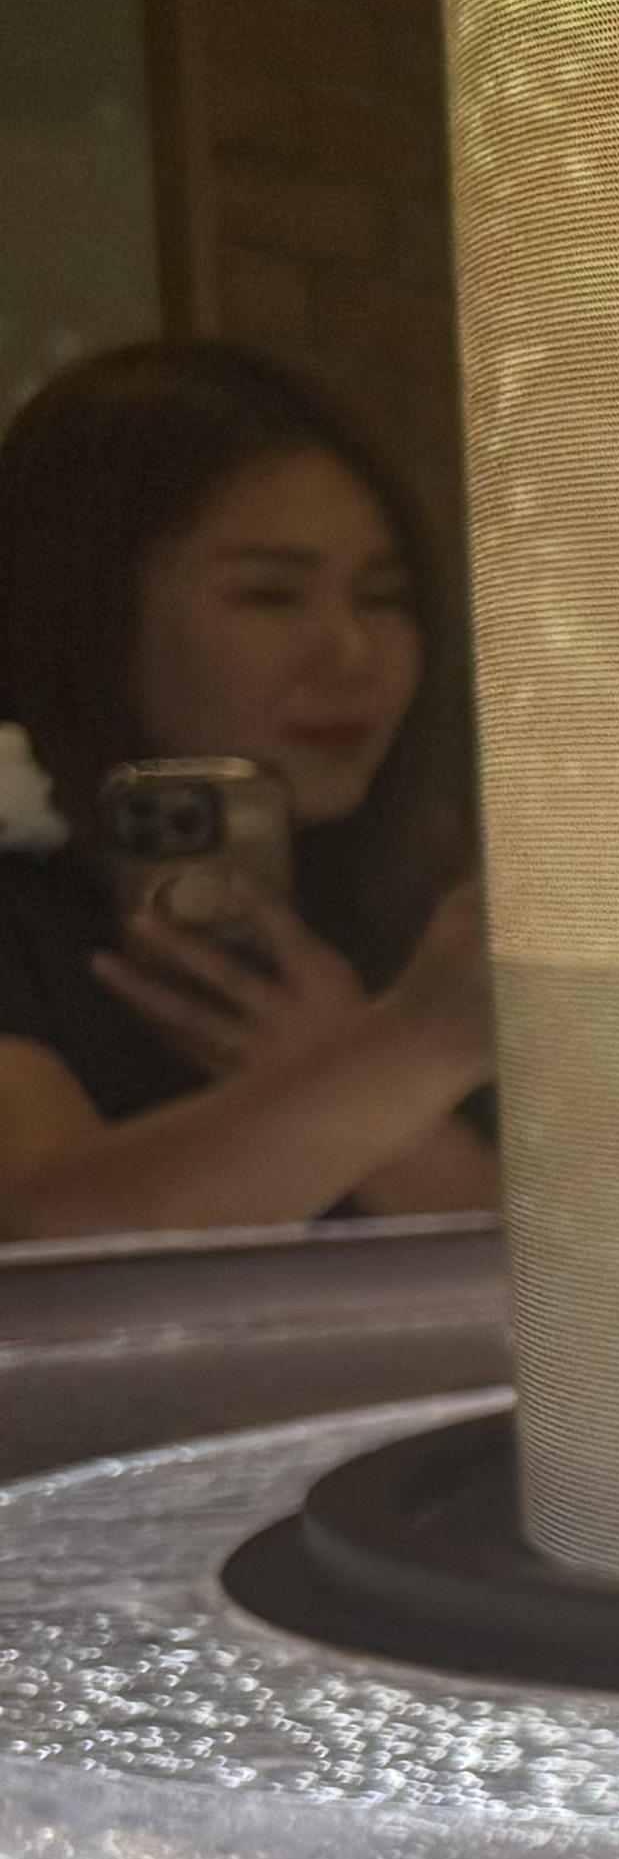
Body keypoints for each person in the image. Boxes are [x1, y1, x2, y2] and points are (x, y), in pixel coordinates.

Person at [0, 341, 494, 1236]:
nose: (351, 652)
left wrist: (357, 1071)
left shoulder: (422, 886)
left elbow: (584, 1285)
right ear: (85, 613)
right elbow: (41, 1267)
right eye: (271, 596)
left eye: (384, 597)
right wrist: (405, 1050)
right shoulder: (20, 903)